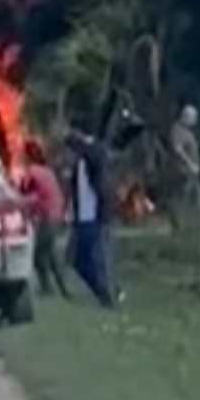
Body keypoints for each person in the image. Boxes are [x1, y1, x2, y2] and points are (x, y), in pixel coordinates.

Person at [65, 125, 117, 308]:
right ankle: (103, 291)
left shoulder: (93, 155)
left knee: (94, 257)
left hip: (93, 216)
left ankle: (106, 293)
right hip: (84, 216)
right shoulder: (85, 158)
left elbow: (100, 186)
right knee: (78, 259)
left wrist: (102, 212)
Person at [17, 138, 69, 298]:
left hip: (48, 217)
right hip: (57, 215)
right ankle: (63, 289)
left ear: (27, 156)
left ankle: (47, 288)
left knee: (38, 254)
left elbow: (24, 193)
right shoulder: (47, 171)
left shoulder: (32, 172)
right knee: (50, 255)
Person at [168, 104, 200, 232]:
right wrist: (190, 164)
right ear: (186, 117)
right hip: (183, 172)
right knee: (182, 199)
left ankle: (199, 225)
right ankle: (179, 226)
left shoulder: (188, 132)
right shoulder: (178, 130)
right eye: (193, 118)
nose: (195, 121)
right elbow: (178, 150)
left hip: (191, 172)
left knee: (197, 199)